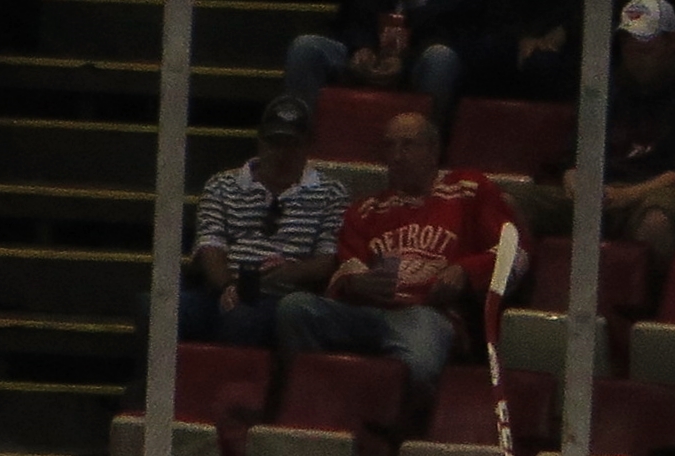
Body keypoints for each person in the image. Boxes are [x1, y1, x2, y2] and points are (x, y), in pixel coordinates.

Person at [277, 109, 519, 397]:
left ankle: (396, 429)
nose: (397, 155)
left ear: (433, 150)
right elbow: (346, 264)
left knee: (419, 358)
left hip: (428, 312)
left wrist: (466, 271)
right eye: (390, 146)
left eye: (407, 145)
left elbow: (514, 249)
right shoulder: (366, 209)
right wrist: (355, 281)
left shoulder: (468, 190)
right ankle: (317, 404)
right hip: (366, 310)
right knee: (294, 308)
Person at [514, 0, 675, 280]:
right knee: (511, 202)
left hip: (652, 194)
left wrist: (628, 195)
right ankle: (527, 292)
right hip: (599, 191)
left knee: (657, 222)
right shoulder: (605, 89)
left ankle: (650, 308)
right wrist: (574, 178)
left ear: (672, 42)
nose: (635, 53)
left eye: (645, 45)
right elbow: (574, 153)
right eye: (628, 43)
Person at [181, 94, 345, 348]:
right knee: (159, 309)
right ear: (260, 141)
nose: (281, 153)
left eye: (291, 144)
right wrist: (228, 286)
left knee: (244, 319)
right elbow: (210, 245)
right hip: (223, 287)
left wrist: (292, 271)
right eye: (274, 142)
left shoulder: (332, 192)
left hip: (280, 298)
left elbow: (327, 259)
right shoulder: (221, 184)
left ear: (307, 146)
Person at [279, 0, 464, 121]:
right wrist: (361, 47)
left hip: (420, 60)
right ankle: (296, 142)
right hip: (367, 55)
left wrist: (405, 62)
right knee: (305, 48)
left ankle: (425, 147)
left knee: (441, 59)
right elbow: (349, 18)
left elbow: (460, 34)